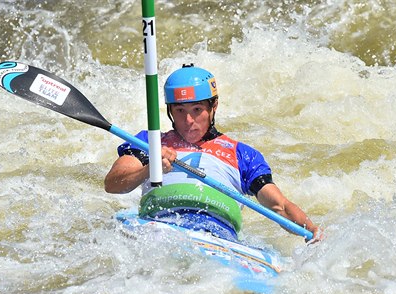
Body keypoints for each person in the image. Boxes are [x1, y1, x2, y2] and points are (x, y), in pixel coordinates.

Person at [105, 64, 322, 243]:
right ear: (170, 110)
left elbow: (279, 206)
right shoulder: (149, 142)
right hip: (159, 224)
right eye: (180, 111)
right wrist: (149, 169)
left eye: (197, 110)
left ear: (214, 106)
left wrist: (310, 228)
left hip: (217, 234)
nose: (189, 121)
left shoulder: (243, 155)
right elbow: (113, 184)